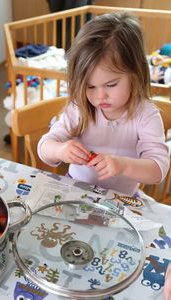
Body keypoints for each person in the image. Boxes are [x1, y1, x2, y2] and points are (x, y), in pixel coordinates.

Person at [37, 11, 170, 196]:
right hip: (75, 193)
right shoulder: (79, 108)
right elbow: (44, 147)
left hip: (122, 200)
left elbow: (158, 169)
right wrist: (60, 150)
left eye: (111, 84)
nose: (100, 96)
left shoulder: (146, 115)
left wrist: (123, 165)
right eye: (90, 86)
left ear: (137, 73)